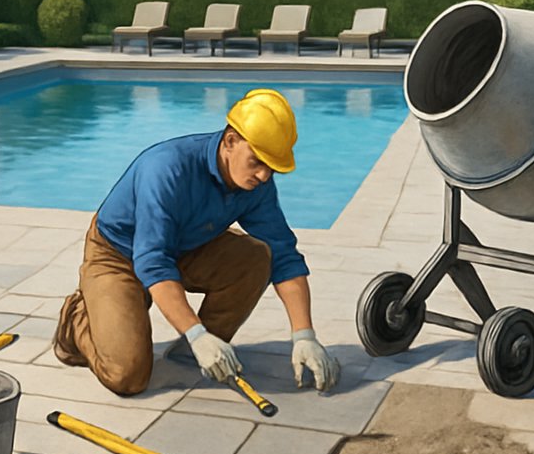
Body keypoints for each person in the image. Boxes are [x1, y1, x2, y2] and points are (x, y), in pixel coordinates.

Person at [55, 88, 340, 396]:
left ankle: (197, 348)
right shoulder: (167, 168)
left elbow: (284, 255)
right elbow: (153, 260)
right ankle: (77, 320)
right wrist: (195, 332)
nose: (264, 175)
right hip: (118, 254)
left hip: (186, 246)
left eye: (272, 167)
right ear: (230, 141)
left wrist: (304, 336)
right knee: (127, 376)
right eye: (257, 161)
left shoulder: (256, 184)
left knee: (259, 255)